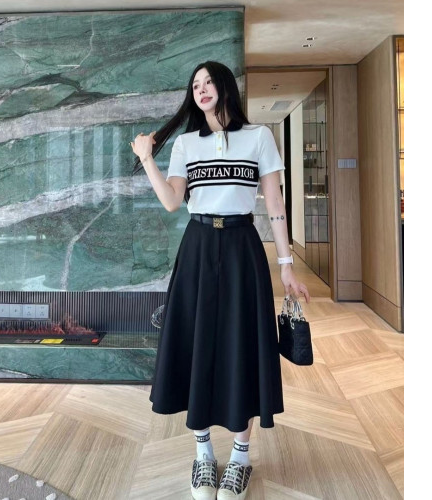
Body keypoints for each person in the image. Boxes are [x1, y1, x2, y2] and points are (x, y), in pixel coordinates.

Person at [131, 61, 310, 500]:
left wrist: (286, 263)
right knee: (196, 344)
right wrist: (147, 159)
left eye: (209, 81)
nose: (202, 89)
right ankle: (204, 455)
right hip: (197, 247)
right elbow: (172, 201)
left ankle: (241, 458)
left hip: (242, 246)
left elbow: (275, 204)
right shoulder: (186, 144)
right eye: (196, 84)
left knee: (241, 346)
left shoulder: (259, 137)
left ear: (226, 86)